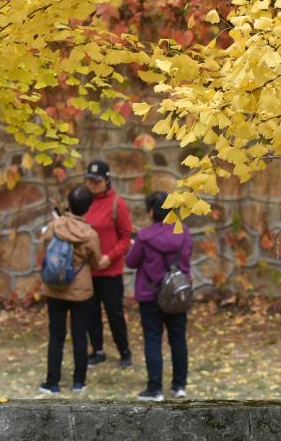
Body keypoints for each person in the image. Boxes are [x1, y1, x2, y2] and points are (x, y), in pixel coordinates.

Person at [125, 191, 193, 401]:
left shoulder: (144, 236)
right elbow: (187, 257)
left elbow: (131, 262)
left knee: (153, 339)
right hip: (177, 293)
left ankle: (154, 389)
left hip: (150, 294)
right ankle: (179, 385)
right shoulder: (184, 232)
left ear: (151, 211)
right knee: (178, 339)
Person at [39, 185, 103, 394]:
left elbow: (44, 245)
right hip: (80, 291)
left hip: (55, 288)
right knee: (80, 336)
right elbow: (96, 263)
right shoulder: (90, 234)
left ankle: (52, 382)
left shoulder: (54, 226)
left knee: (56, 335)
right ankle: (79, 382)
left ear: (69, 203)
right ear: (88, 208)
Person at [82, 159, 135, 368]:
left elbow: (126, 237)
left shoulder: (117, 203)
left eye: (96, 181)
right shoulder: (84, 201)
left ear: (106, 180)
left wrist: (110, 257)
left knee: (114, 313)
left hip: (110, 271)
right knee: (90, 312)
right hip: (88, 270)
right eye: (89, 180)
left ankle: (124, 351)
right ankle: (98, 351)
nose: (93, 184)